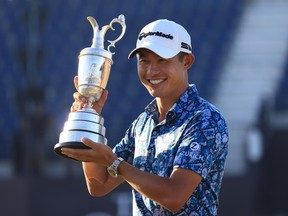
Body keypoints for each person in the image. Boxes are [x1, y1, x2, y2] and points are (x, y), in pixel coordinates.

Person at [61, 19, 229, 215]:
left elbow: (174, 196)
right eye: (144, 61)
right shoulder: (142, 124)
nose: (151, 71)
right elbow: (99, 185)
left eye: (162, 60)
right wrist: (89, 119)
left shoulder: (205, 119)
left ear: (187, 61)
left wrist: (114, 161)